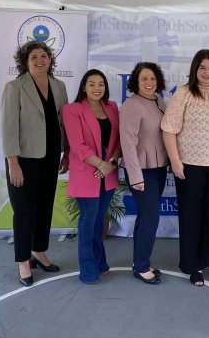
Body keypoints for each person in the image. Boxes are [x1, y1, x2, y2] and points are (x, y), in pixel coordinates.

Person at [161, 49, 209, 287]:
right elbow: (169, 129)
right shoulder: (183, 94)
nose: (207, 72)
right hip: (189, 168)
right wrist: (175, 161)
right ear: (195, 69)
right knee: (191, 218)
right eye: (202, 68)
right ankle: (194, 265)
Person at [1, 41, 69, 287]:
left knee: (44, 208)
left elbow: (65, 123)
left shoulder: (59, 86)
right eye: (33, 57)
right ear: (25, 61)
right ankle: (23, 261)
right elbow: (8, 127)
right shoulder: (15, 87)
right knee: (24, 211)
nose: (39, 60)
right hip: (24, 160)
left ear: (50, 59)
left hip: (51, 157)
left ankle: (39, 252)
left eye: (44, 56)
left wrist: (67, 152)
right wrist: (13, 163)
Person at [62, 69, 121, 284]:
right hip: (88, 173)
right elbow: (78, 146)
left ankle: (101, 263)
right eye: (91, 84)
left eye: (101, 84)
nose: (97, 88)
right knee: (88, 223)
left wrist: (111, 163)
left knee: (97, 222)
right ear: (84, 87)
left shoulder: (112, 108)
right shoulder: (72, 110)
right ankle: (88, 271)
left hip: (108, 173)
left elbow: (118, 142)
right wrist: (102, 165)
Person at [120, 62, 169, 285]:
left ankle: (140, 262)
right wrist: (136, 176)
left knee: (146, 217)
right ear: (136, 82)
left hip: (158, 169)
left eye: (152, 78)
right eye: (144, 79)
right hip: (141, 170)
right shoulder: (131, 105)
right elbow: (128, 144)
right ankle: (141, 266)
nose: (149, 83)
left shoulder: (159, 101)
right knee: (150, 217)